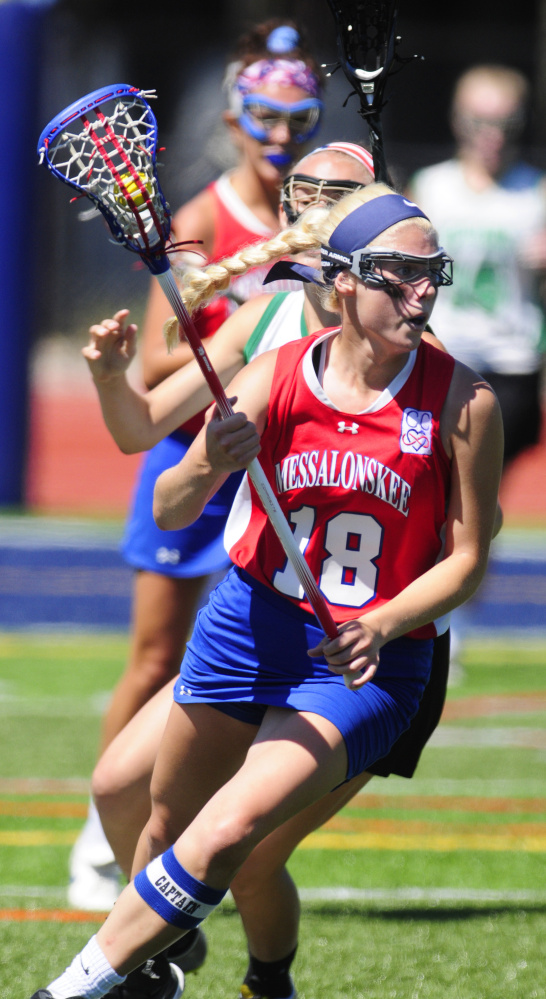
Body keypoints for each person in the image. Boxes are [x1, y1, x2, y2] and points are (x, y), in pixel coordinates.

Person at [31, 184, 503, 999]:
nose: (422, 293)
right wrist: (211, 453)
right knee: (161, 825)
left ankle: (65, 992)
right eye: (401, 274)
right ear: (345, 281)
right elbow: (168, 502)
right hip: (246, 626)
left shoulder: (465, 400)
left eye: (434, 274)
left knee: (230, 837)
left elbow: (467, 559)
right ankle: (174, 978)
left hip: (362, 663)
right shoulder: (280, 368)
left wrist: (385, 622)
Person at [68, 17, 326, 914]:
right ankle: (105, 833)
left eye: (299, 119)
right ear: (233, 117)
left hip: (281, 466)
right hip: (197, 454)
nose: (281, 137)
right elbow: (156, 376)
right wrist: (242, 348)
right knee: (153, 657)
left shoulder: (321, 213)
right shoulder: (202, 220)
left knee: (244, 652)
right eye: (264, 117)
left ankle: (212, 840)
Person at [409, 64, 546, 468]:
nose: (494, 135)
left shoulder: (536, 191)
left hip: (511, 357)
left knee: (483, 482)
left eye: (507, 123)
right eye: (479, 122)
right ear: (457, 121)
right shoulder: (431, 187)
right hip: (444, 349)